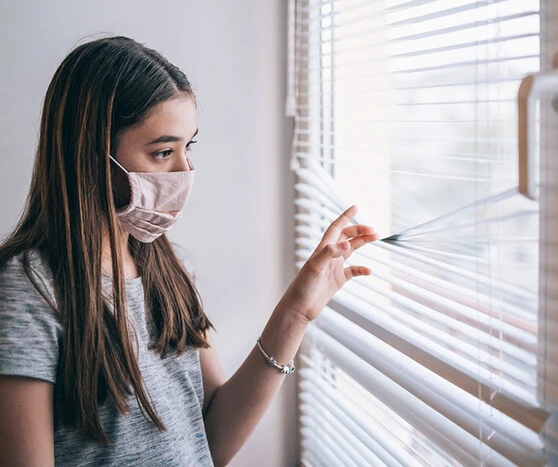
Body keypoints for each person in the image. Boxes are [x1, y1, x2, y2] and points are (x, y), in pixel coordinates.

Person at [0, 36, 377, 466]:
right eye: (163, 151)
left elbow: (210, 440)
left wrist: (295, 313)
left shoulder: (162, 267)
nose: (185, 170)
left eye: (188, 146)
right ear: (91, 156)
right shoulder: (27, 291)